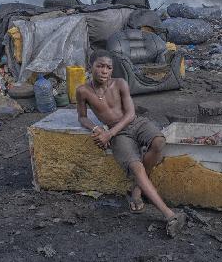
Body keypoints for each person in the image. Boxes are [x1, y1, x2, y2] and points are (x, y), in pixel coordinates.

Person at [76, 50, 186, 237]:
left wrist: (108, 133)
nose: (104, 71)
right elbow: (82, 117)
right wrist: (96, 129)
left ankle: (137, 188)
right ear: (90, 66)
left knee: (158, 141)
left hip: (135, 123)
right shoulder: (83, 91)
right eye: (100, 66)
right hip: (119, 135)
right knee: (136, 167)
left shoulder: (120, 84)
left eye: (108, 67)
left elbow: (130, 115)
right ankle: (169, 214)